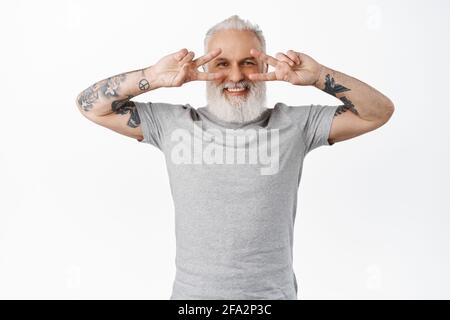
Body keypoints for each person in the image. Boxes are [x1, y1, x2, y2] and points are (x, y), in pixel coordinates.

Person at [76, 15, 394, 300]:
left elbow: (376, 113)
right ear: (204, 70)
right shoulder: (173, 124)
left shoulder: (295, 125)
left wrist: (320, 75)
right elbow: (90, 106)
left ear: (265, 68)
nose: (235, 76)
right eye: (222, 64)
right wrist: (152, 77)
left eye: (248, 62)